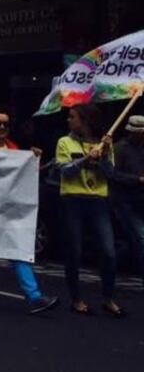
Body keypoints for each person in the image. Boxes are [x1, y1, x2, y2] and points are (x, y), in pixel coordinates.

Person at [0, 108, 58, 314]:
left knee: (17, 248)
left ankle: (34, 297)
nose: (1, 127)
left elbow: (21, 178)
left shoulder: (14, 149)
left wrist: (33, 160)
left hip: (7, 210)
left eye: (5, 124)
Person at [55, 104, 124, 317]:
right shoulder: (64, 142)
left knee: (108, 251)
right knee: (74, 252)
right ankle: (76, 298)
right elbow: (64, 171)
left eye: (72, 117)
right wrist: (86, 158)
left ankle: (108, 298)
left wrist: (102, 155)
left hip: (98, 201)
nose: (69, 120)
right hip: (73, 200)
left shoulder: (105, 143)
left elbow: (111, 174)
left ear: (84, 120)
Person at [110, 115, 144, 291]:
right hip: (124, 201)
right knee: (140, 236)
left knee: (133, 240)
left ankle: (111, 265)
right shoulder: (119, 149)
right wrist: (137, 179)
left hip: (140, 199)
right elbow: (113, 174)